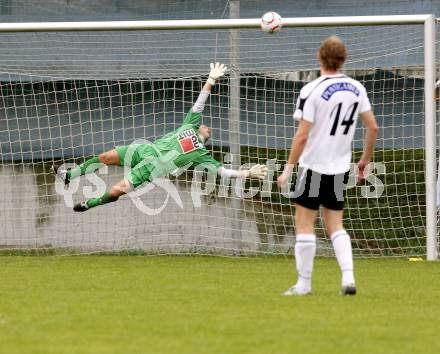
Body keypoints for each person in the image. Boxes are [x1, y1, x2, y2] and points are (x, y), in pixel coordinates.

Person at [54, 63, 268, 212]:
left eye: (208, 129)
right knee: (104, 157)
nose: (206, 126)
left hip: (151, 168)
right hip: (145, 150)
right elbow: (199, 103)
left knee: (117, 191)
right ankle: (69, 175)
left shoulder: (201, 155)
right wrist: (211, 80)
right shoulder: (190, 124)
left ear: (207, 136)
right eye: (204, 124)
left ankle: (89, 204)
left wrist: (247, 172)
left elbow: (222, 171)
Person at [277, 36, 378, 296]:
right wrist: (365, 160)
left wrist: (288, 168)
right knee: (335, 225)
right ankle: (348, 280)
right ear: (343, 59)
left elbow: (301, 136)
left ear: (320, 58)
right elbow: (373, 126)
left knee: (304, 223)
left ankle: (304, 284)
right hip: (340, 168)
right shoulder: (357, 88)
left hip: (313, 167)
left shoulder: (311, 90)